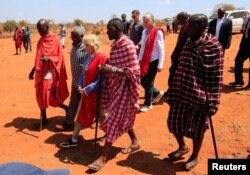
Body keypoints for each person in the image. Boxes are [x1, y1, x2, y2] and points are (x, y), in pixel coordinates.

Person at [165, 14, 224, 171]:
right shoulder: (189, 42)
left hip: (200, 96)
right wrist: (172, 88)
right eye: (187, 25)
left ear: (203, 26)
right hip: (181, 92)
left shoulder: (213, 45)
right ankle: (182, 147)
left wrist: (213, 100)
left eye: (191, 26)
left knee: (197, 129)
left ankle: (194, 156)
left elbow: (216, 76)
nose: (187, 28)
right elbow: (179, 64)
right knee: (173, 123)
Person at [87, 18, 140, 172]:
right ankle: (135, 141)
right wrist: (106, 67)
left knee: (114, 120)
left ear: (117, 28)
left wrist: (113, 70)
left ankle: (103, 157)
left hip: (126, 89)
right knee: (124, 118)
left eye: (109, 29)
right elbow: (117, 64)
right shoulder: (116, 46)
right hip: (116, 88)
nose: (107, 32)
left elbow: (134, 71)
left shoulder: (127, 45)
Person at [59, 34, 107, 147]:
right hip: (85, 91)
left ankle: (108, 133)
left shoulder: (102, 58)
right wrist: (80, 85)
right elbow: (83, 72)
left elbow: (101, 79)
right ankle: (74, 138)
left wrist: (88, 89)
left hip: (96, 93)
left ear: (93, 45)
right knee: (83, 112)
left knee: (100, 114)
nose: (85, 47)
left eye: (87, 45)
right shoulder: (87, 56)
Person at [28, 19, 69, 128]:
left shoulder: (55, 41)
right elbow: (38, 58)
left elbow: (60, 58)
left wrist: (49, 58)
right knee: (40, 95)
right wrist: (32, 71)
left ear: (47, 27)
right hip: (40, 72)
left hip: (50, 72)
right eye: (38, 29)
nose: (39, 30)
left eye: (41, 28)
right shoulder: (41, 41)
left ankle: (66, 108)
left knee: (47, 95)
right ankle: (44, 118)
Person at [56, 26, 86, 131]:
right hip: (75, 81)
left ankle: (102, 125)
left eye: (75, 36)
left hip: (85, 82)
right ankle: (68, 123)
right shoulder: (74, 47)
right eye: (72, 36)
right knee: (73, 101)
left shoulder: (86, 47)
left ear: (82, 36)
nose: (73, 38)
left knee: (91, 104)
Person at [138, 12, 165, 112]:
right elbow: (143, 46)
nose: (145, 23)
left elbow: (161, 49)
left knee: (149, 82)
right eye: (143, 21)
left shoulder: (157, 32)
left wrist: (160, 64)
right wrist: (139, 59)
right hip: (144, 60)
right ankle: (156, 93)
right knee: (142, 80)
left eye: (147, 21)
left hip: (154, 60)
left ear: (152, 20)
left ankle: (148, 104)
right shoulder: (144, 32)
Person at [167, 12, 189, 87]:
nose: (178, 20)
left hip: (182, 55)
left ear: (183, 18)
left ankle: (172, 90)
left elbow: (183, 43)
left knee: (173, 70)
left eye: (179, 19)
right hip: (180, 54)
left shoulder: (187, 27)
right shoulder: (185, 26)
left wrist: (177, 56)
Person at [229, 16, 250, 88]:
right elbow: (246, 32)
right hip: (245, 44)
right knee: (238, 60)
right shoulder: (249, 18)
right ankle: (239, 81)